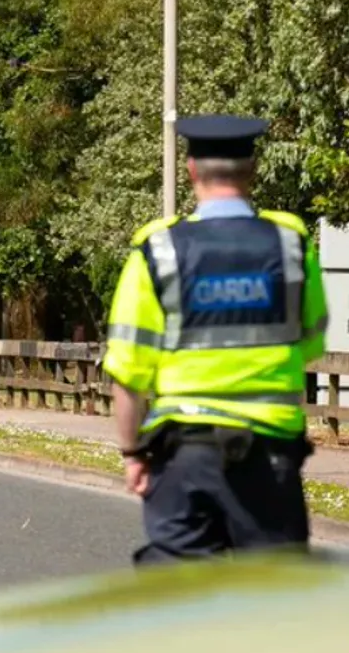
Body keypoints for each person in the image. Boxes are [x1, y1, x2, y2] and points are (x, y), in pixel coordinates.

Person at [101, 113, 329, 565]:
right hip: (270, 457)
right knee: (275, 602)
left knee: (177, 606)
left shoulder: (158, 249)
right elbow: (312, 340)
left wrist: (132, 455)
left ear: (190, 172)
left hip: (185, 455)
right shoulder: (291, 243)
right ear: (253, 169)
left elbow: (126, 372)